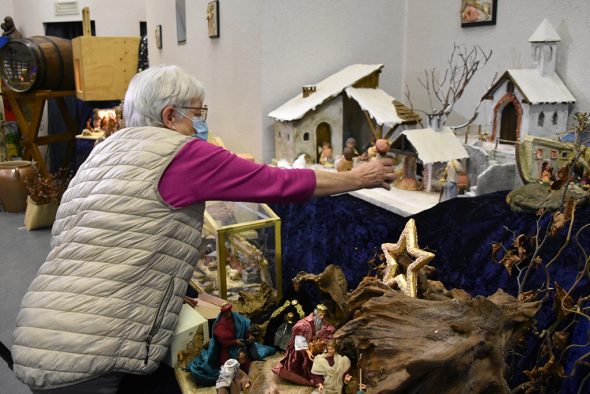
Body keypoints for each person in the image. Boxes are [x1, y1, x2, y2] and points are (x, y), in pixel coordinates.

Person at [11, 64, 395, 394]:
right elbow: (278, 183)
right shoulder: (181, 154)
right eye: (198, 111)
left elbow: (92, 241)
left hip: (40, 332)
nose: (202, 121)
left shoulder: (102, 154)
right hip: (92, 350)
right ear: (169, 116)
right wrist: (359, 177)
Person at [188, 302, 274, 386]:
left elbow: (243, 327)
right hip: (228, 350)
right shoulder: (221, 325)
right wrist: (234, 342)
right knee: (230, 370)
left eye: (229, 311)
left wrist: (248, 335)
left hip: (240, 346)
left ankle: (244, 375)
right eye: (226, 312)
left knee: (246, 361)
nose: (229, 314)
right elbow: (222, 340)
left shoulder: (235, 318)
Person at [272, 304, 335, 386]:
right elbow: (299, 339)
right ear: (315, 314)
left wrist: (322, 345)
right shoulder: (303, 325)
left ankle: (320, 375)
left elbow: (328, 335)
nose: (322, 317)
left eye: (323, 315)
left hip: (316, 346)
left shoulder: (325, 324)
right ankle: (306, 375)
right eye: (320, 315)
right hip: (301, 347)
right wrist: (308, 351)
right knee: (301, 355)